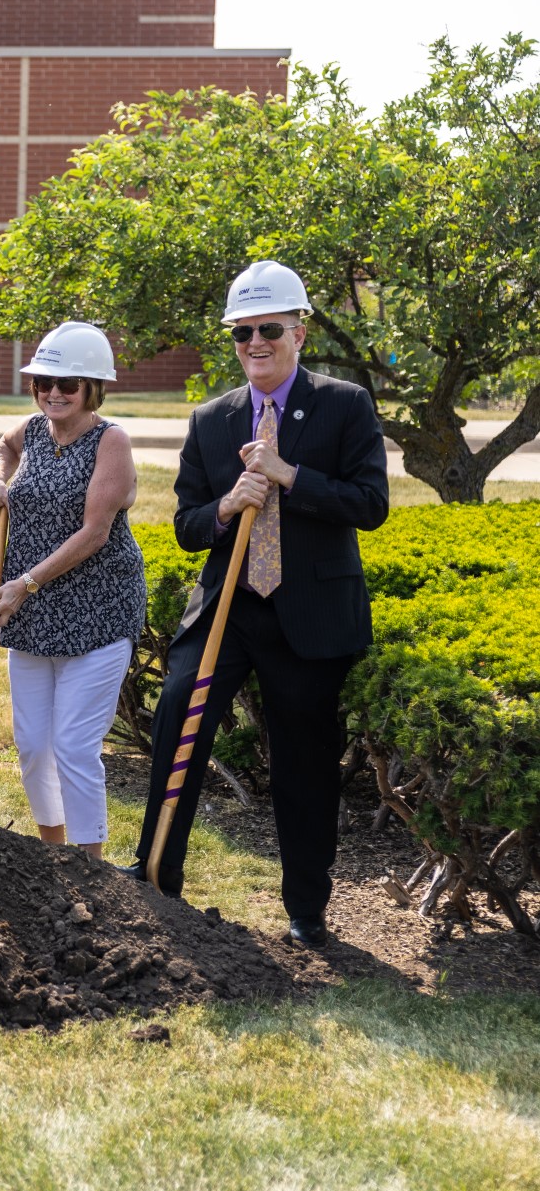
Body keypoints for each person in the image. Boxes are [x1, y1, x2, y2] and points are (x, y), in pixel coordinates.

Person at [124, 260, 389, 948]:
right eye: (243, 333)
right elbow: (186, 525)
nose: (255, 343)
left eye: (270, 328)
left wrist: (288, 475)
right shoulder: (213, 419)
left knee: (303, 761)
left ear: (299, 331)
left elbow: (370, 505)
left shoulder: (344, 404)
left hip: (307, 616)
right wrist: (225, 506)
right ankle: (157, 875)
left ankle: (306, 908)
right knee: (179, 715)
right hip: (228, 613)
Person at [0, 322, 144, 858]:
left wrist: (25, 583)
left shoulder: (111, 440)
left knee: (74, 744)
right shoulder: (32, 430)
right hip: (33, 612)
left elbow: (95, 533)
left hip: (97, 609)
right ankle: (53, 851)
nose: (53, 393)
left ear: (92, 388)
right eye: (43, 382)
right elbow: (3, 448)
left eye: (68, 384)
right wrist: (2, 481)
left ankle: (89, 862)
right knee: (32, 747)